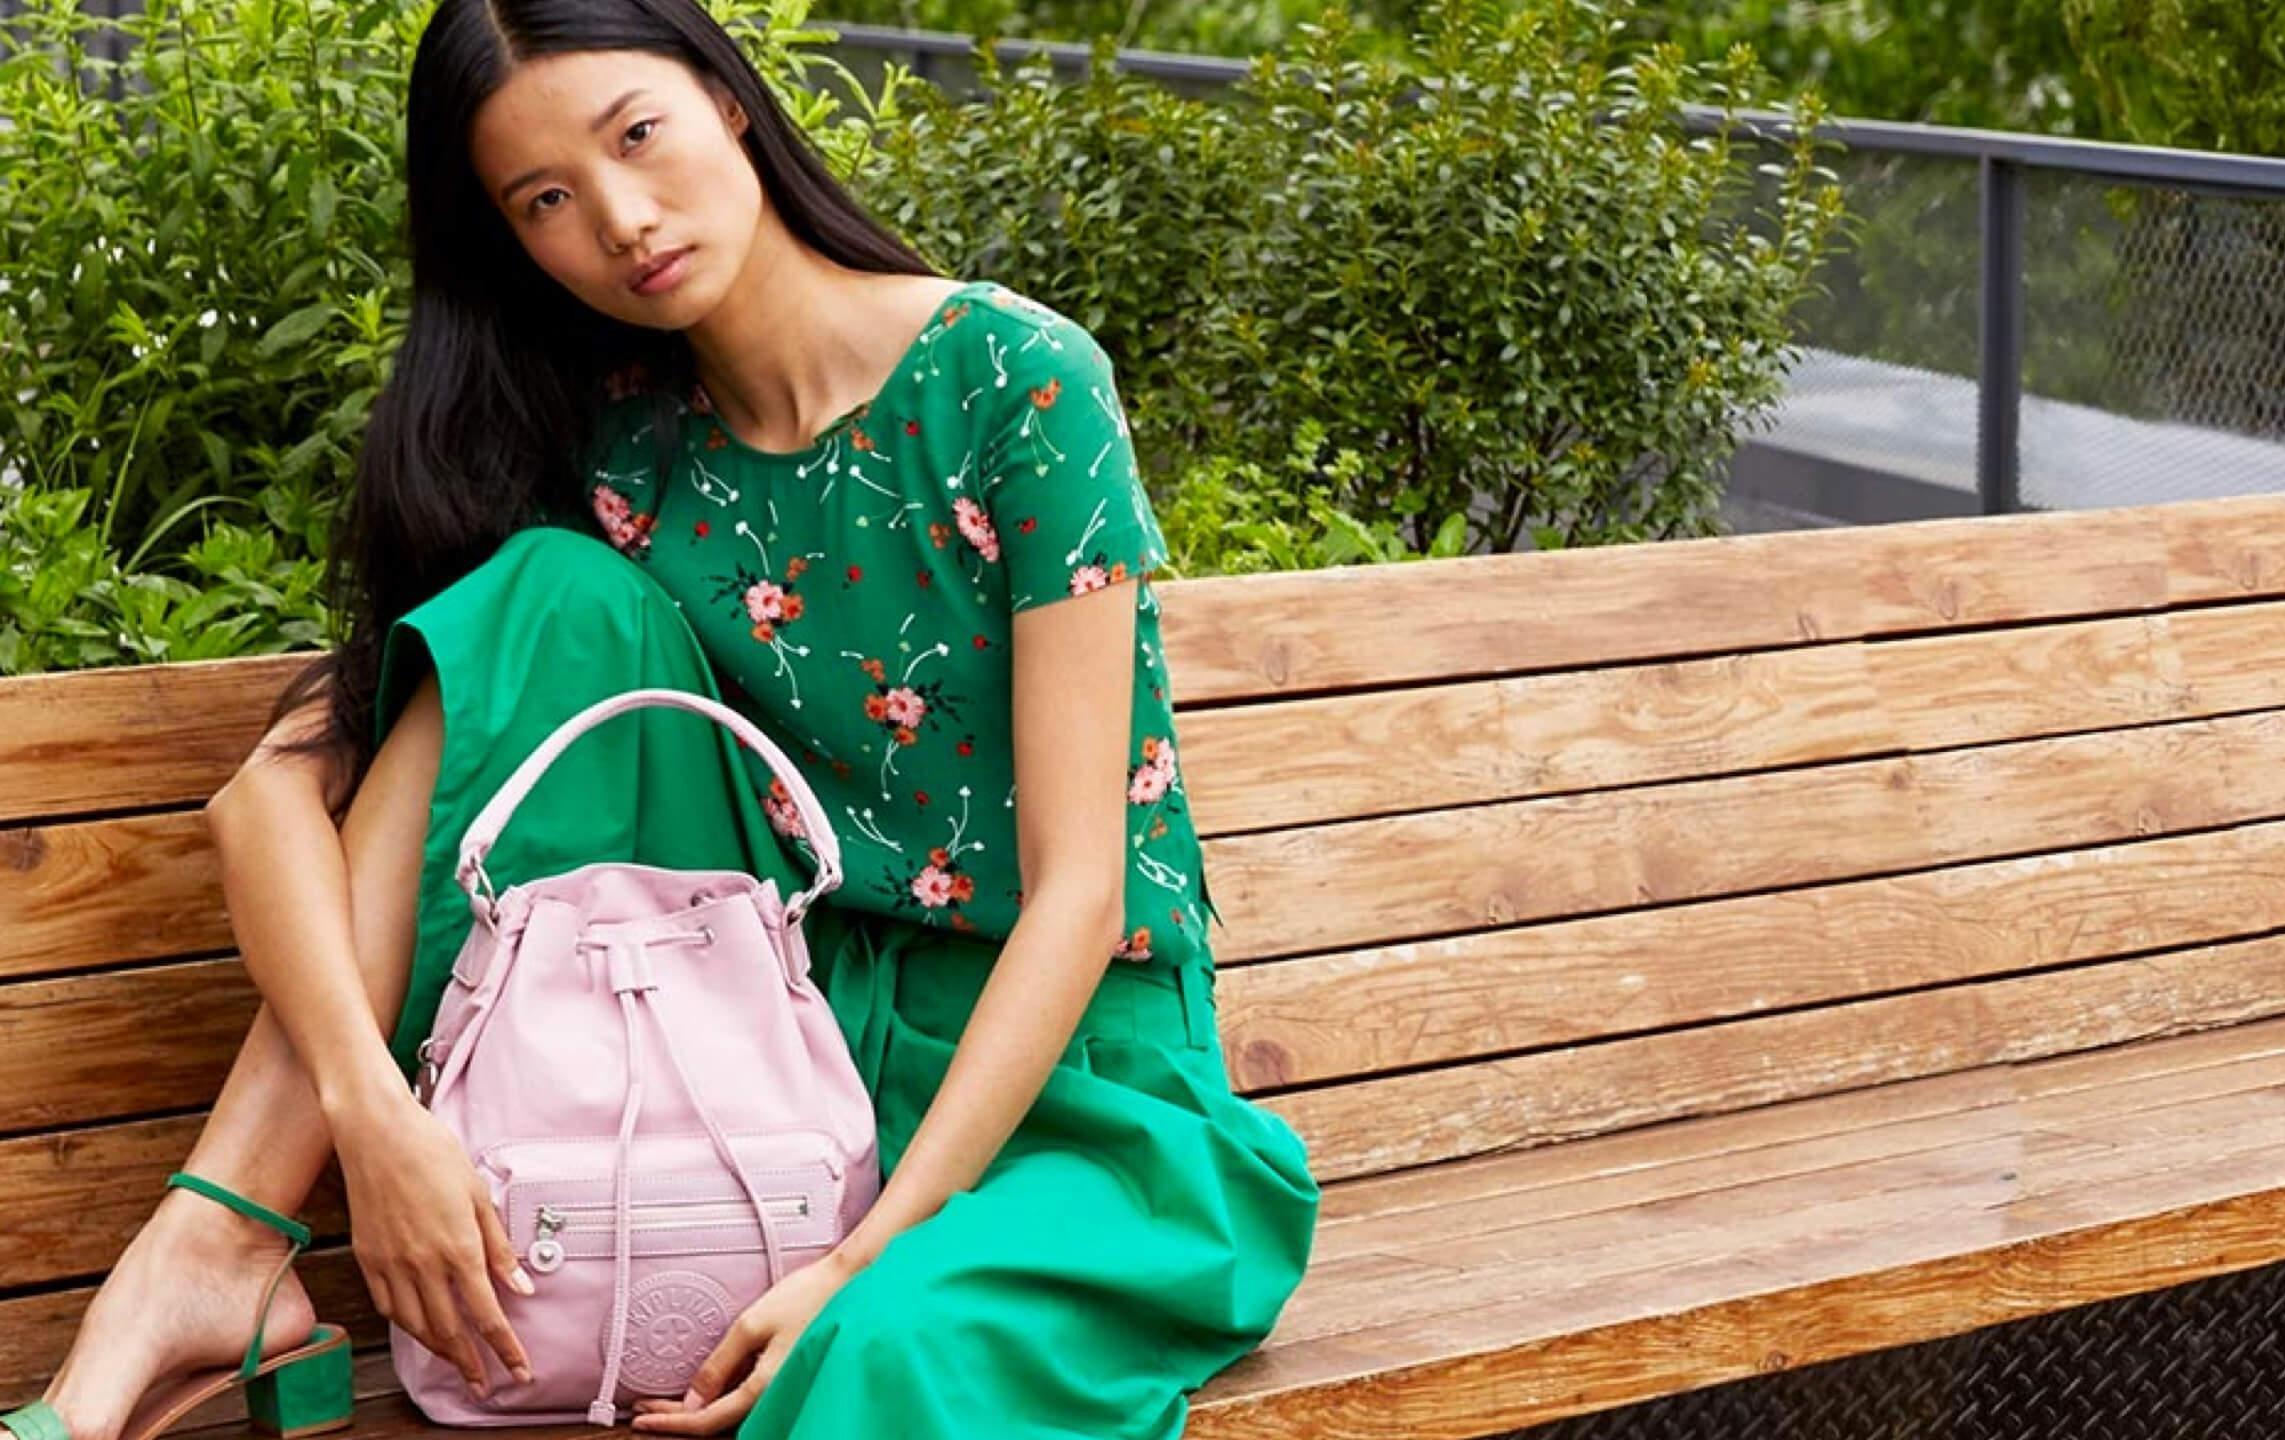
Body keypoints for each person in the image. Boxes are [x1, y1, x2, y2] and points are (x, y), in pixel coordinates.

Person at [0, 2, 1321, 1437]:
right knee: (558, 595)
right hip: (777, 1062)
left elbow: (1079, 891)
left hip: (1080, 1096)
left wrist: (858, 1256)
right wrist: (371, 1116)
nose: (622, 220)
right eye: (546, 201)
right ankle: (217, 1245)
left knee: (873, 1358)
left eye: (638, 134)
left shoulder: (1018, 385)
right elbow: (263, 801)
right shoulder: (616, 453)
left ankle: (226, 1265)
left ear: (731, 101)